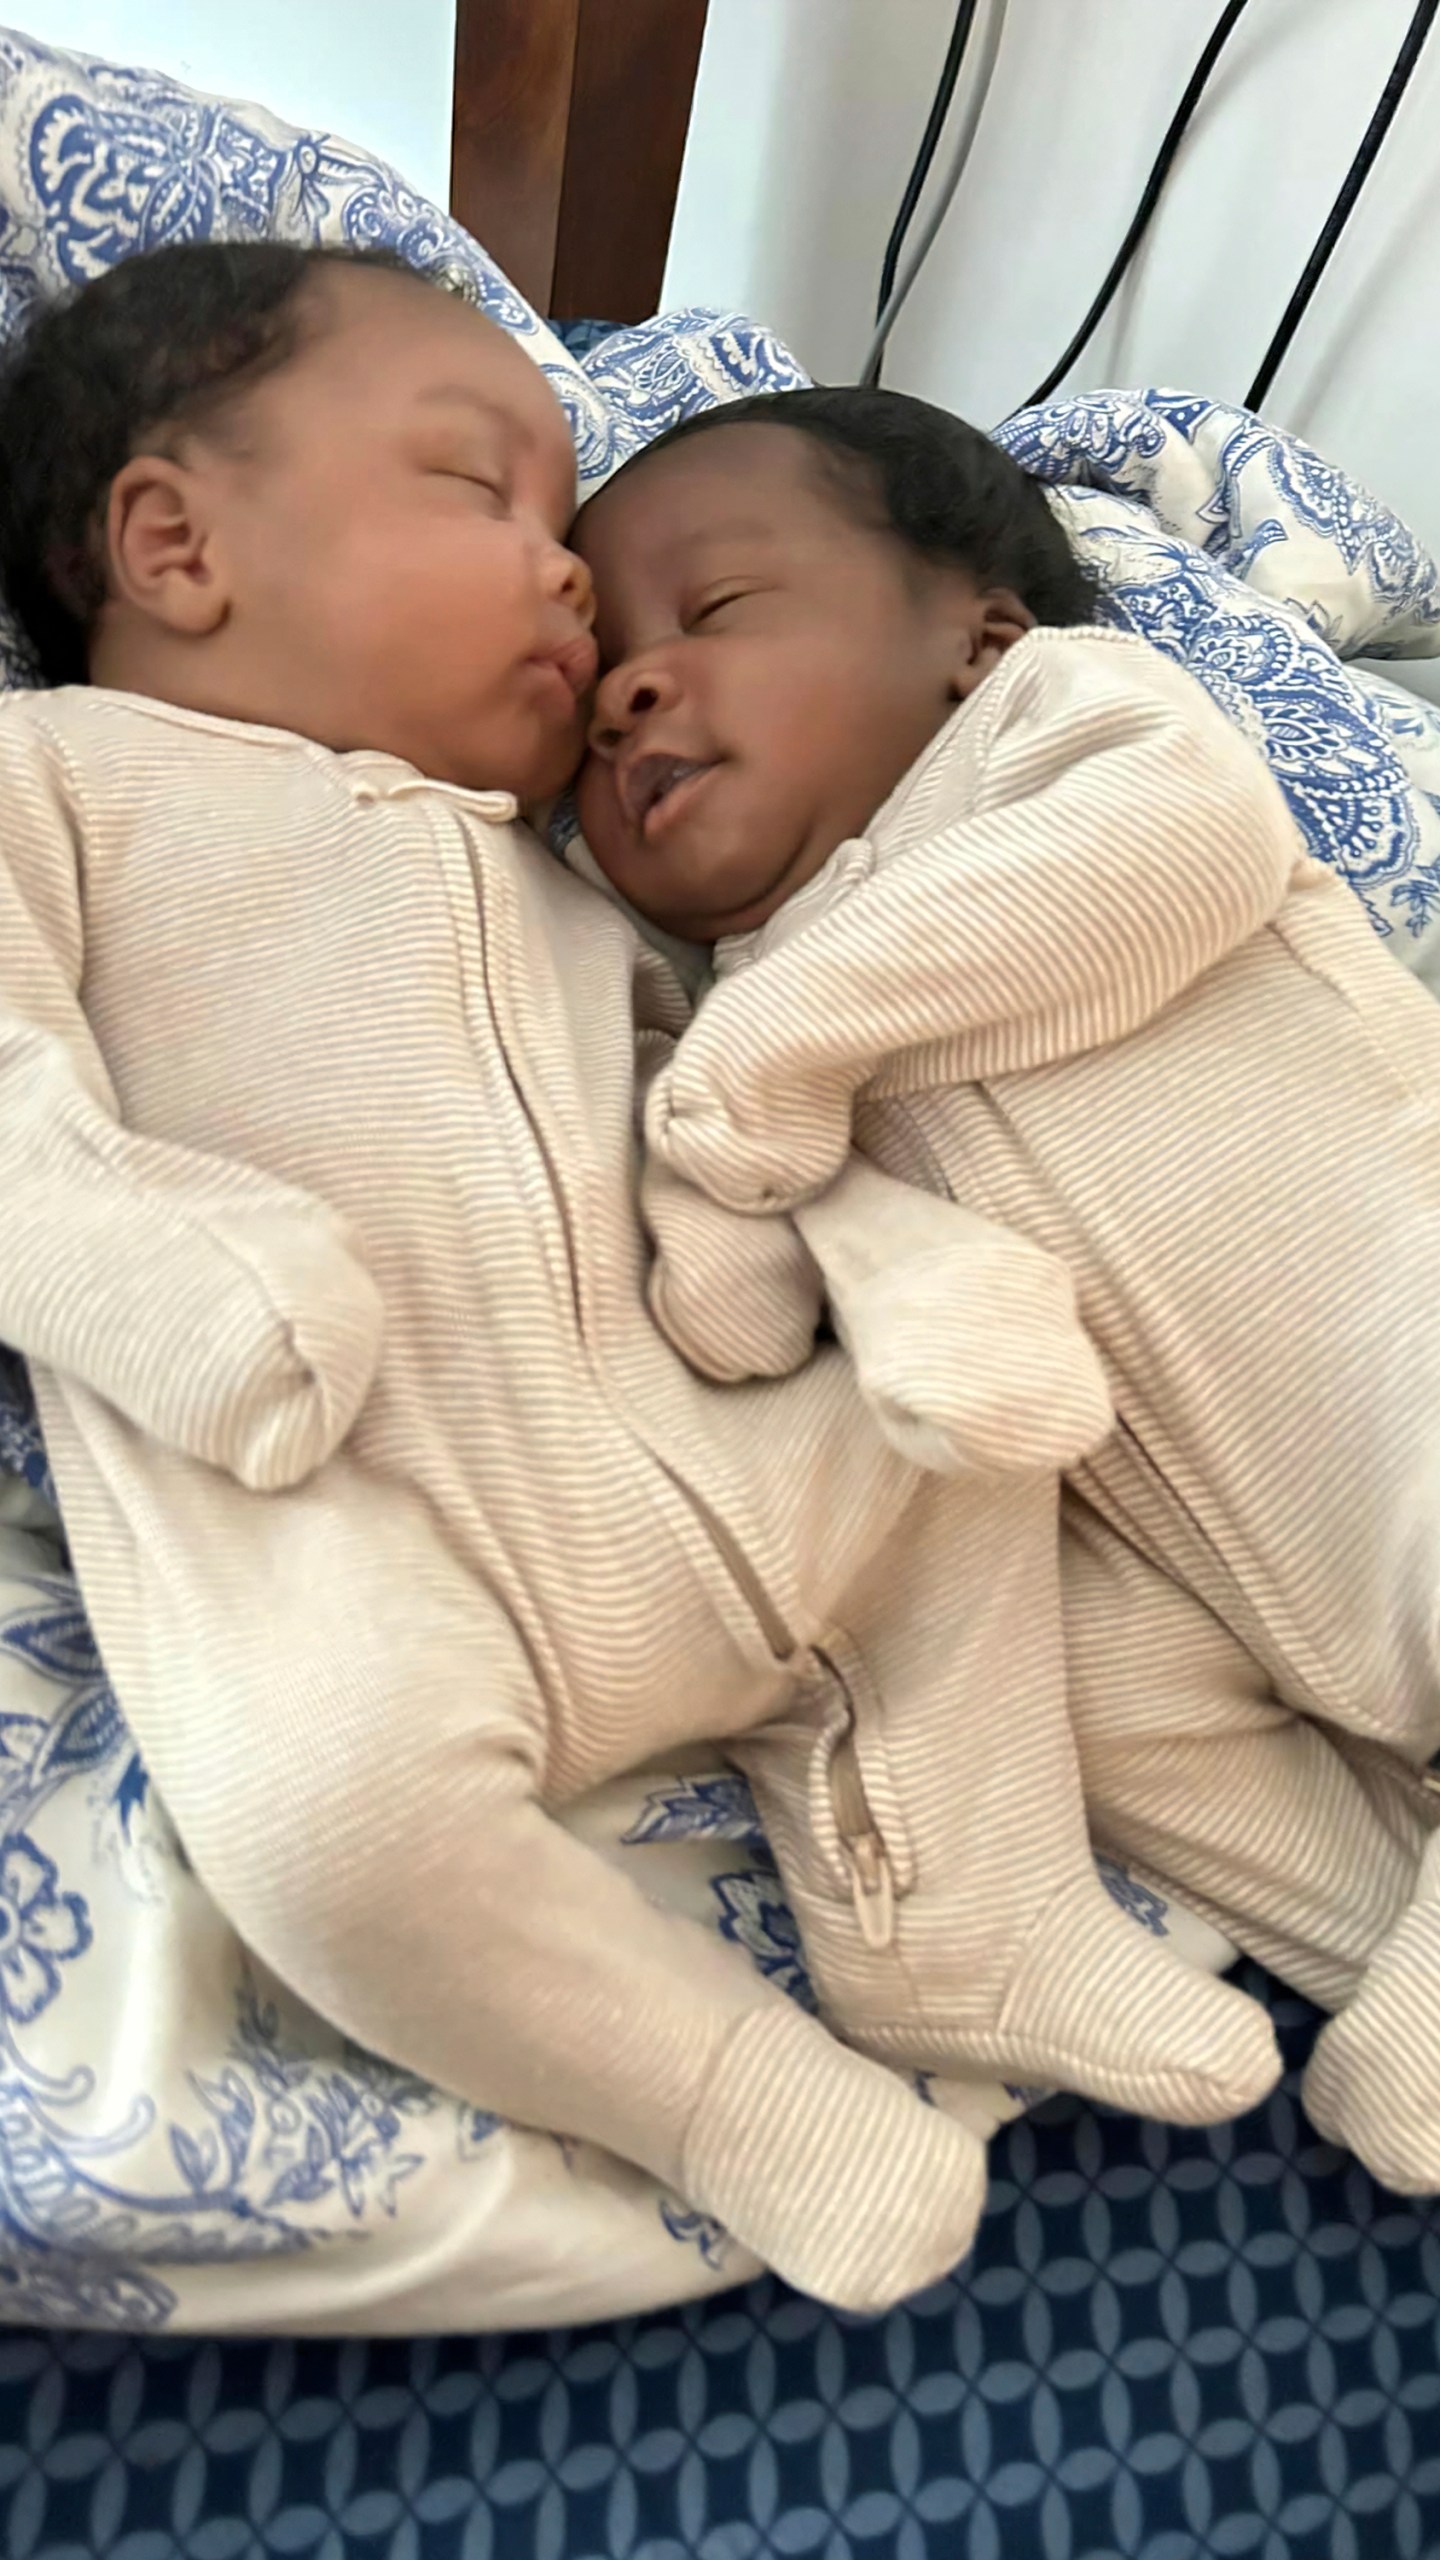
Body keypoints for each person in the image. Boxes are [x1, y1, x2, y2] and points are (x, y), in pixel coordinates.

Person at [0, 248, 1284, 2311]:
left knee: (968, 1443)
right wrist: (145, 1260)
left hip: (699, 1438)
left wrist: (888, 1260)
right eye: (479, 488)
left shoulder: (569, 878)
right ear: (174, 542)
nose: (574, 575)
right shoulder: (62, 787)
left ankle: (972, 1894)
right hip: (347, 1498)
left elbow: (720, 1114)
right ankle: (722, 2088)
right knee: (322, 1806)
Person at [574, 387, 1440, 2200]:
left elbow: (1176, 850)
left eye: (713, 613)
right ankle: (1385, 1942)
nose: (629, 690)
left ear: (971, 634)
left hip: (1400, 1353)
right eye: (597, 685)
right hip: (1173, 1557)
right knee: (1093, 1705)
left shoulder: (1071, 727)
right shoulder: (726, 988)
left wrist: (770, 1065)